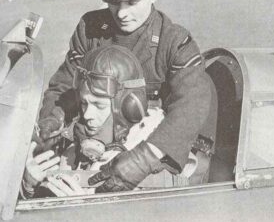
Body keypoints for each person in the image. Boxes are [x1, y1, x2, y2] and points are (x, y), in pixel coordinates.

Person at [37, 0, 217, 190]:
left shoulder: (174, 42)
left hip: (153, 151)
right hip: (96, 144)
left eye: (132, 2)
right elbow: (64, 85)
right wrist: (53, 118)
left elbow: (191, 107)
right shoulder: (90, 29)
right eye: (113, 2)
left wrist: (143, 159)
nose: (121, 13)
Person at [21, 45, 210, 197]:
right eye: (84, 104)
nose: (87, 115)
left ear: (129, 108)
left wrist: (84, 213)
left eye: (99, 105)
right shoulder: (74, 150)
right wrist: (29, 186)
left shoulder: (157, 167)